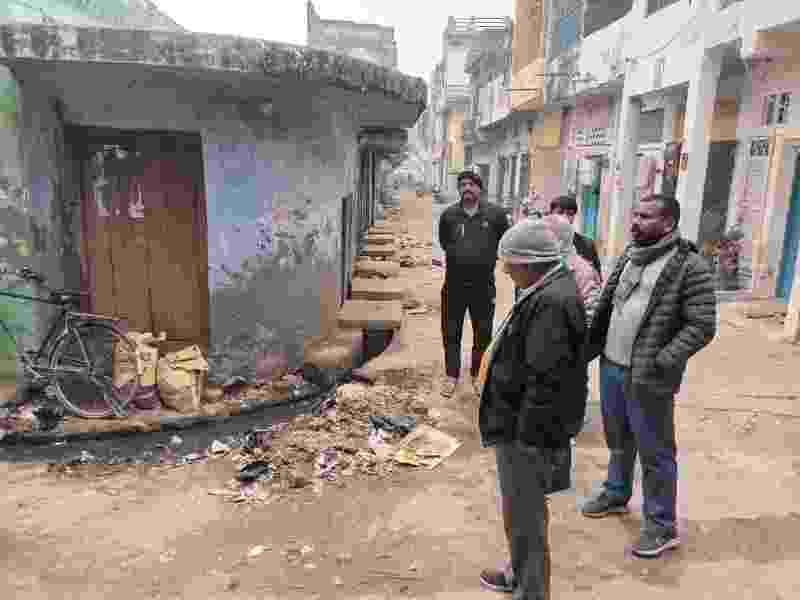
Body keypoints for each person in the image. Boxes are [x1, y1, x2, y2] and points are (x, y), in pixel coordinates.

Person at [581, 193, 717, 558]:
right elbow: (610, 304)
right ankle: (616, 493)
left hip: (648, 375)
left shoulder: (689, 266)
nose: (635, 222)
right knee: (618, 437)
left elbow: (702, 325)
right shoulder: (631, 254)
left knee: (655, 451)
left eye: (645, 217)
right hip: (612, 365)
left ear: (668, 223)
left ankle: (661, 526)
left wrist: (663, 359)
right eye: (635, 214)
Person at [476, 219, 587, 599]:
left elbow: (546, 380)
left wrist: (529, 439)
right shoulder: (547, 289)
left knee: (526, 516)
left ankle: (532, 590)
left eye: (509, 263)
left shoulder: (551, 302)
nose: (506, 270)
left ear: (530, 262)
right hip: (521, 425)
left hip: (526, 433)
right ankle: (518, 574)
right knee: (520, 513)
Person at [438, 171, 511, 398]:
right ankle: (451, 376)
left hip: (483, 287)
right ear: (459, 189)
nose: (467, 188)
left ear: (480, 188)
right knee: (451, 332)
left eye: (471, 184)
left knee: (483, 333)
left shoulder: (496, 215)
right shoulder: (449, 215)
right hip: (454, 286)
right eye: (462, 184)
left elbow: (505, 242)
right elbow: (444, 242)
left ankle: (477, 376)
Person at [543, 213, 602, 327]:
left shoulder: (584, 272)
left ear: (558, 242)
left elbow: (590, 319)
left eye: (542, 238)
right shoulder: (547, 262)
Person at [549, 195, 602, 277]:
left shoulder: (587, 244)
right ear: (551, 214)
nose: (564, 217)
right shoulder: (542, 242)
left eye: (570, 214)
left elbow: (597, 276)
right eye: (560, 213)